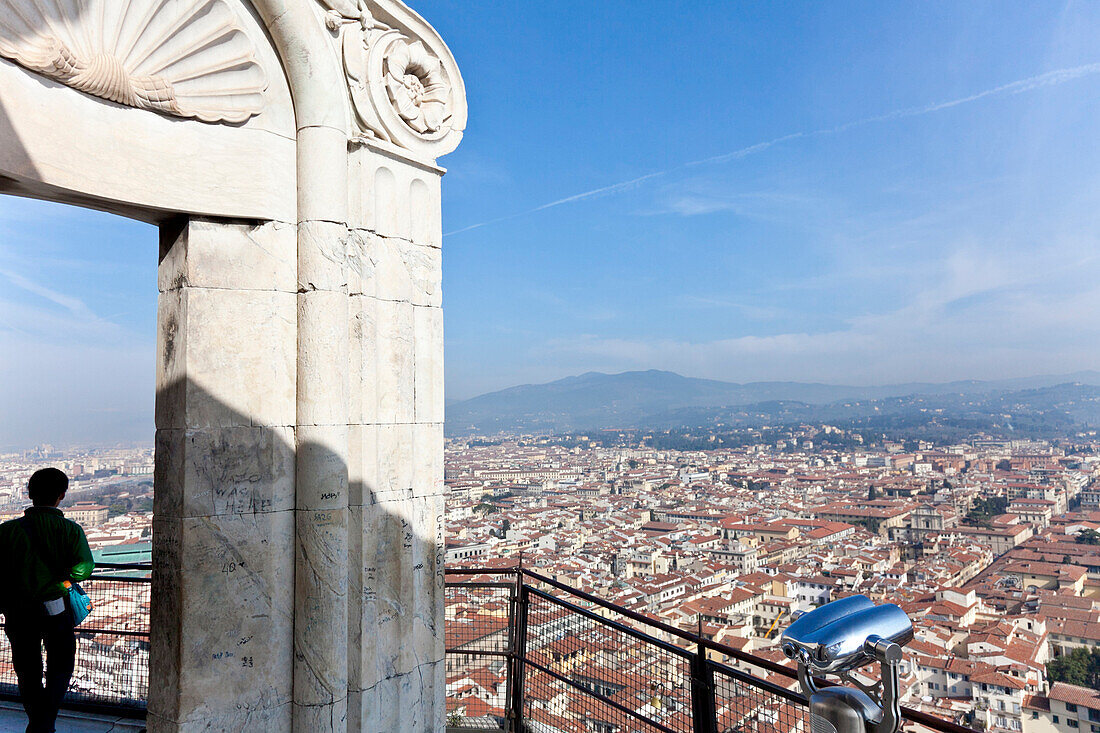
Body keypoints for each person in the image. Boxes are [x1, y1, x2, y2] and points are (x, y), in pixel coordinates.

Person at [0, 468, 94, 733]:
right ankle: (45, 723)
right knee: (60, 668)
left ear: (29, 494)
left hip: (18, 611)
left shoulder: (6, 532)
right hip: (56, 609)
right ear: (61, 496)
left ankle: (39, 723)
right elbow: (85, 567)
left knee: (27, 670)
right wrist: (64, 579)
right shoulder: (70, 530)